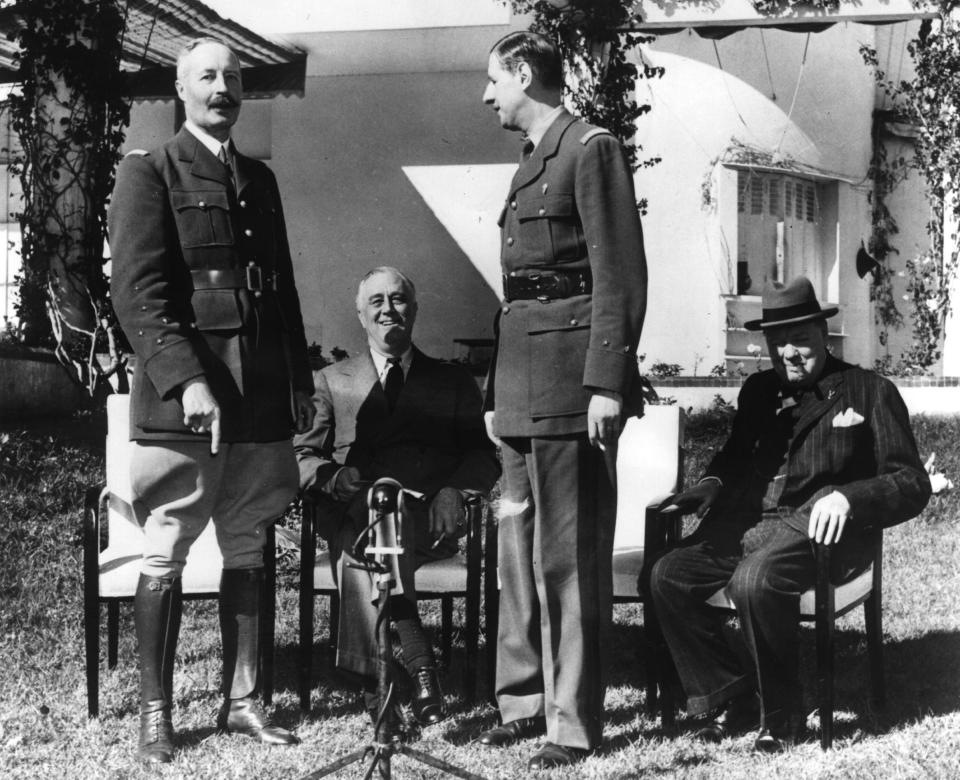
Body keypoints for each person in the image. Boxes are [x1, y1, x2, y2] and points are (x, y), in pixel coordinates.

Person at [108, 38, 316, 764]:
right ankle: (156, 717)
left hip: (257, 396)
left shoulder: (258, 178)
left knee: (250, 540)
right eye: (208, 76)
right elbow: (139, 295)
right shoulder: (150, 172)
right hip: (186, 401)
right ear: (181, 86)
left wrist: (299, 381)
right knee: (165, 546)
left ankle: (245, 701)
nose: (223, 87)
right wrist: (187, 378)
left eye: (232, 77)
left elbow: (280, 290)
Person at [646, 276, 932, 752]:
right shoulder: (759, 392)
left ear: (824, 334)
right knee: (667, 574)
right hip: (746, 526)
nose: (787, 353)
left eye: (799, 339)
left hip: (819, 533)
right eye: (776, 342)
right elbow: (736, 456)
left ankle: (781, 715)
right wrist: (711, 484)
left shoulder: (867, 391)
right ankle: (733, 692)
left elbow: (911, 482)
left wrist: (849, 498)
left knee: (755, 579)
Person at [477, 31, 648, 769]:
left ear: (524, 74)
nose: (488, 96)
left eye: (493, 81)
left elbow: (620, 274)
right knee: (515, 549)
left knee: (567, 556)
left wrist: (607, 380)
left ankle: (571, 721)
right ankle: (521, 700)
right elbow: (519, 292)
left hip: (571, 382)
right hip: (520, 382)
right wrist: (495, 391)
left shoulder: (590, 148)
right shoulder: (530, 162)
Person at [294, 267, 500, 735]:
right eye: (377, 302)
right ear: (361, 315)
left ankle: (380, 697)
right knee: (376, 513)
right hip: (354, 509)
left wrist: (455, 491)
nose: (389, 309)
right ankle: (418, 666)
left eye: (399, 299)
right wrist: (331, 476)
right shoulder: (331, 380)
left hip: (428, 520)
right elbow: (301, 455)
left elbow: (482, 456)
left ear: (414, 309)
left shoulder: (451, 381)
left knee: (373, 538)